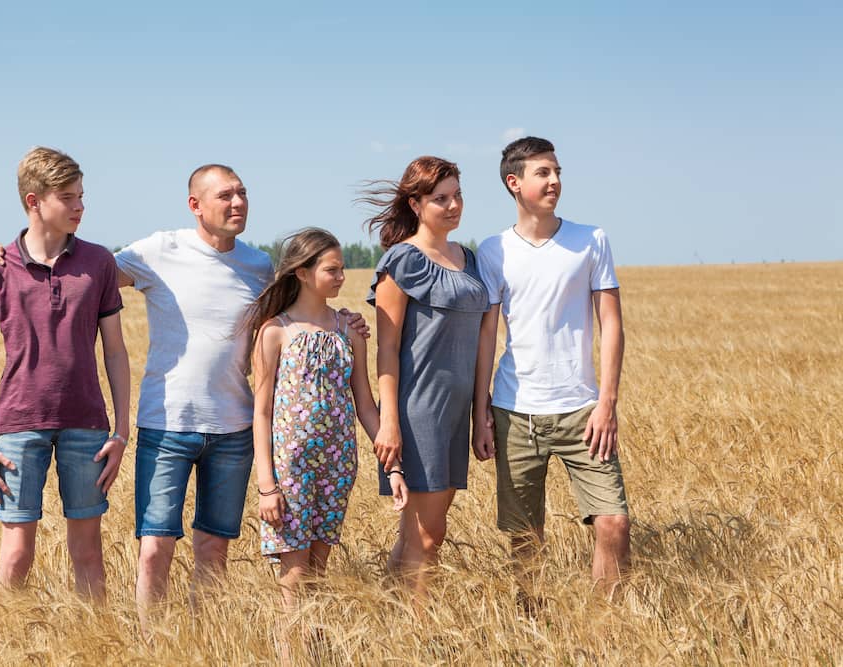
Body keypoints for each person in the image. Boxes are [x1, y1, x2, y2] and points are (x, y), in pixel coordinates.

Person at [0, 164, 368, 626]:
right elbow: (79, 267)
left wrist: (343, 320)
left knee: (213, 551)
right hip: (166, 424)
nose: (238, 203)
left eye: (242, 193)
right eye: (226, 195)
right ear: (194, 205)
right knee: (154, 549)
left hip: (234, 428)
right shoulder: (159, 250)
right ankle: (150, 643)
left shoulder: (260, 266)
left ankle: (202, 642)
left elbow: (303, 301)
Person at [0, 146, 130, 602]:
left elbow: (116, 352)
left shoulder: (98, 262)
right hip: (19, 425)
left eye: (82, 196)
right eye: (68, 197)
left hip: (87, 425)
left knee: (89, 553)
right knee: (16, 555)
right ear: (34, 201)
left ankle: (96, 638)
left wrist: (122, 430)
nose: (80, 206)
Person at [472, 136, 630, 596]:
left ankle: (605, 624)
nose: (555, 181)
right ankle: (533, 622)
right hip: (514, 410)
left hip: (584, 410)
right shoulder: (493, 250)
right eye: (543, 173)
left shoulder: (591, 240)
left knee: (614, 523)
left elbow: (611, 323)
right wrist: (480, 410)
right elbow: (487, 334)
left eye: (557, 171)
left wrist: (607, 403)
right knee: (525, 536)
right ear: (514, 182)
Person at [245, 228, 407, 612]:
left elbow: (365, 404)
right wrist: (266, 485)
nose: (341, 277)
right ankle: (289, 643)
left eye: (342, 269)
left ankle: (315, 640)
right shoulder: (275, 331)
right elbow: (261, 412)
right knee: (294, 573)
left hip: (337, 466)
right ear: (303, 273)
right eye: (332, 270)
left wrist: (393, 467)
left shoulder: (349, 331)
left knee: (318, 570)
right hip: (291, 468)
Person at [361, 156, 491, 599]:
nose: (453, 206)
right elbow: (387, 349)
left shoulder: (469, 259)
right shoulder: (402, 261)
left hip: (456, 412)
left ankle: (388, 614)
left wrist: (480, 414)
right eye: (440, 198)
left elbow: (482, 343)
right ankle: (421, 629)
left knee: (419, 533)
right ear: (415, 204)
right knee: (429, 534)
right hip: (419, 412)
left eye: (457, 195)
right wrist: (389, 423)